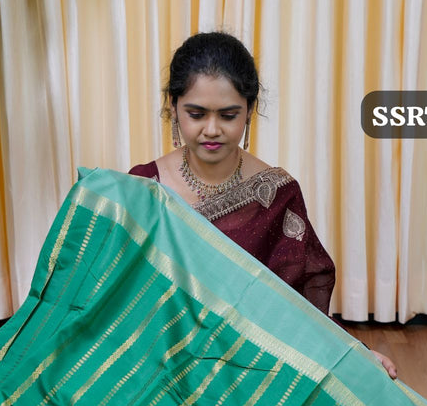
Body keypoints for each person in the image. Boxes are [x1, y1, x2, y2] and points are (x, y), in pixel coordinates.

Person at [129, 31, 398, 379]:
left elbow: (299, 304)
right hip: (162, 362)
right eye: (196, 114)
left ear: (249, 111)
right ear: (173, 106)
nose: (212, 129)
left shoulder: (276, 193)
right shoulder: (144, 187)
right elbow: (122, 294)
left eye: (228, 115)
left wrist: (353, 353)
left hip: (250, 365)